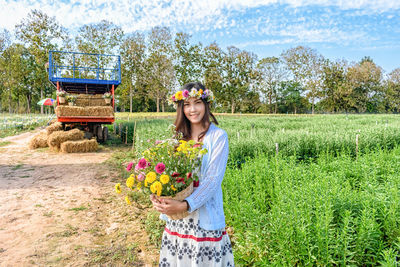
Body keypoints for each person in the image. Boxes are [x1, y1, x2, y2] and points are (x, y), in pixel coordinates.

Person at [150, 82, 235, 266]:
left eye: (197, 102)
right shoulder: (176, 139)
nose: (193, 109)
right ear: (181, 108)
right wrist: (157, 194)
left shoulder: (218, 136)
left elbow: (212, 181)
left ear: (206, 104)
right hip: (178, 221)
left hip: (204, 217)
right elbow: (166, 173)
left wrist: (185, 205)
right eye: (187, 104)